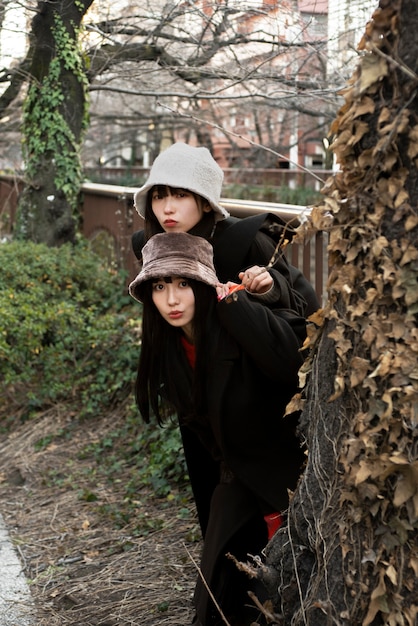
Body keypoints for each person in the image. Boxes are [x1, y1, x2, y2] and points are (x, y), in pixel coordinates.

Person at [129, 231, 307, 626]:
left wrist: (238, 305)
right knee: (215, 601)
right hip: (240, 477)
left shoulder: (235, 319)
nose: (171, 299)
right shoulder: (169, 350)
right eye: (159, 286)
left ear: (205, 285)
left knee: (287, 585)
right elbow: (205, 431)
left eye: (183, 284)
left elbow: (293, 359)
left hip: (288, 472)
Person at [131, 142, 320, 318]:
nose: (167, 208)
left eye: (181, 195)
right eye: (158, 196)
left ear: (206, 203)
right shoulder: (149, 245)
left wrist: (267, 289)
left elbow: (295, 307)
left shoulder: (244, 240)